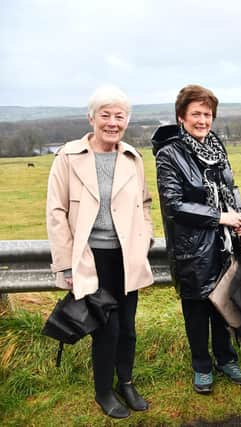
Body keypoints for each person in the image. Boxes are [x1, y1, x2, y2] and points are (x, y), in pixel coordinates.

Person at [46, 86, 154, 418]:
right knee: (107, 328)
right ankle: (103, 392)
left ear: (127, 120)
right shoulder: (68, 157)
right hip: (92, 258)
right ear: (91, 118)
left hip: (127, 257)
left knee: (129, 327)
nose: (112, 122)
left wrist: (144, 236)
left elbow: (145, 204)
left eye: (119, 116)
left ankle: (126, 382)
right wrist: (66, 265)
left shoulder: (132, 158)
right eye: (105, 115)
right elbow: (56, 212)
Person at [152, 84, 241, 394]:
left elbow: (230, 187)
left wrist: (239, 216)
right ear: (181, 116)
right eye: (196, 114)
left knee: (223, 305)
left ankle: (226, 359)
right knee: (196, 310)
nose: (203, 120)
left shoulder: (216, 146)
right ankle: (201, 366)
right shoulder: (169, 153)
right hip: (191, 247)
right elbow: (173, 205)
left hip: (223, 244)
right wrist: (219, 217)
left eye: (208, 114)